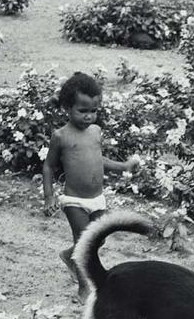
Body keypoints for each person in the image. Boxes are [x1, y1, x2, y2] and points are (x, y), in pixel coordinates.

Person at [42, 71, 139, 289]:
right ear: (67, 108)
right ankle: (84, 287)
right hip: (74, 200)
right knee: (84, 242)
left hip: (97, 198)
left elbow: (98, 158)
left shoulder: (95, 131)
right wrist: (49, 197)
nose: (89, 116)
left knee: (99, 239)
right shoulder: (61, 136)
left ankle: (69, 256)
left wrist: (123, 166)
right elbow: (48, 166)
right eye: (82, 111)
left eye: (93, 111)